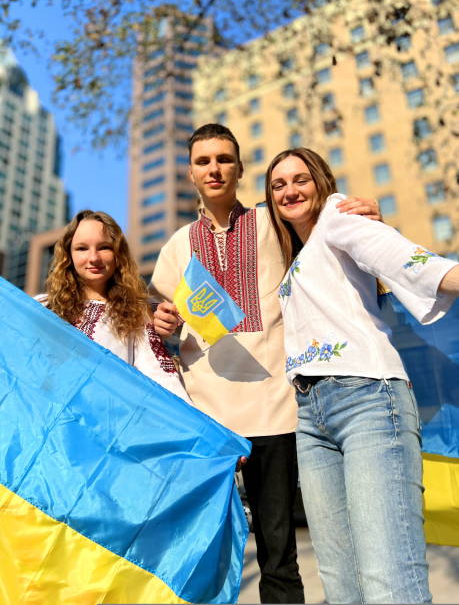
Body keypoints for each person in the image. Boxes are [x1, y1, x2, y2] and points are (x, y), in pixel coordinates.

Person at [151, 124, 381, 603]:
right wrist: (164, 324)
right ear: (190, 173)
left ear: (239, 168)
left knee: (278, 552)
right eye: (203, 161)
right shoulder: (175, 247)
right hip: (206, 417)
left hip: (277, 407)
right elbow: (164, 326)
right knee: (201, 549)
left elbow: (328, 241)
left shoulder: (272, 223)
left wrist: (365, 218)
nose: (214, 169)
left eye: (224, 159)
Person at [264, 146, 459, 604]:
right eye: (278, 185)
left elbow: (401, 258)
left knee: (390, 581)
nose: (290, 190)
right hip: (311, 418)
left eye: (300, 178)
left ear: (322, 182)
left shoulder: (337, 215)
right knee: (341, 586)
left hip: (367, 401)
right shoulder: (296, 253)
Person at [37, 209, 189, 403]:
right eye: (82, 248)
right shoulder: (42, 307)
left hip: (106, 424)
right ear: (69, 255)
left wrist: (200, 427)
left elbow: (159, 377)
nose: (93, 258)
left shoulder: (137, 313)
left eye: (104, 247)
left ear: (118, 253)